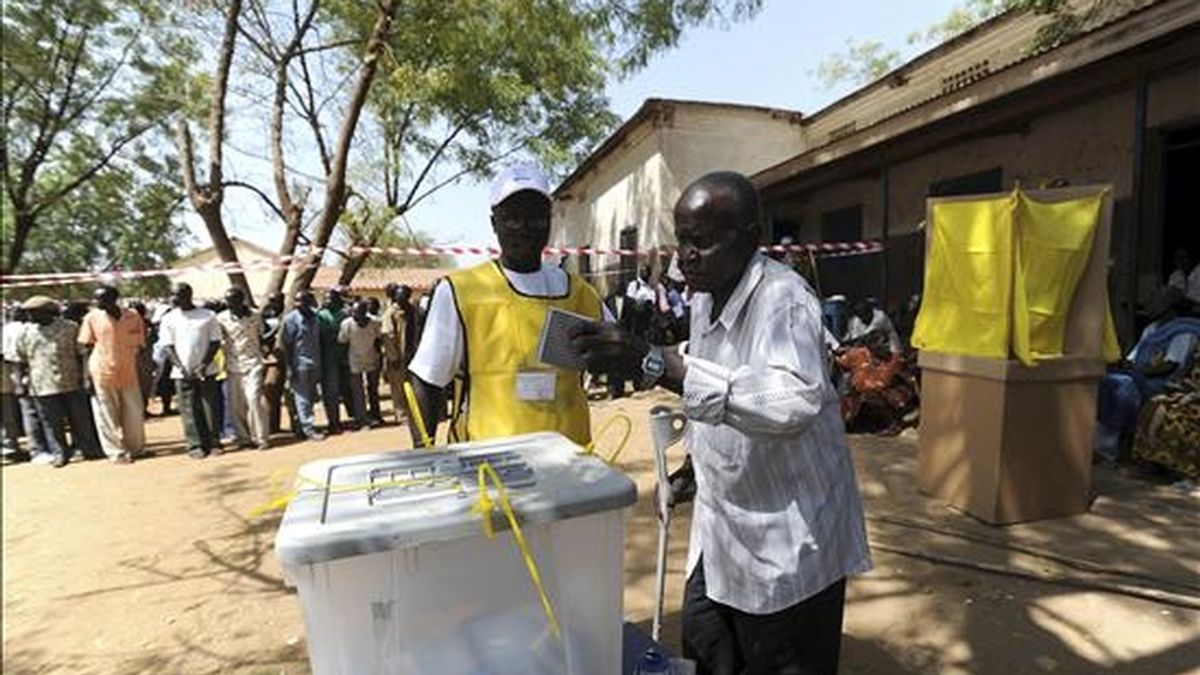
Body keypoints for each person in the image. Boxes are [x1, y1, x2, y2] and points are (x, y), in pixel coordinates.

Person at [571, 171, 871, 675]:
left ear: (751, 237)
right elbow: (720, 385)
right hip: (724, 530)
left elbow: (791, 400)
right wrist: (697, 460)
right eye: (682, 240)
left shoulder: (784, 299)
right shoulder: (707, 296)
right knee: (707, 645)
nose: (686, 255)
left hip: (785, 545)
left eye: (702, 242)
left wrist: (662, 365)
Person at [408, 162, 607, 447]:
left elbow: (618, 352)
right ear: (494, 223)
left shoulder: (580, 293)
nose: (525, 228)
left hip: (569, 464)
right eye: (512, 218)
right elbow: (427, 379)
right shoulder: (461, 291)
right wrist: (423, 453)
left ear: (550, 220)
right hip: (488, 470)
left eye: (537, 218)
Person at [1095, 288, 1200, 463]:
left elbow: (1171, 365)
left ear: (1169, 306)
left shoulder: (1184, 331)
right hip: (1140, 376)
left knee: (1122, 386)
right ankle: (1099, 443)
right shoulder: (1152, 328)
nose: (1150, 304)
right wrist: (1128, 368)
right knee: (1108, 382)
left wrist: (1136, 371)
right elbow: (1132, 358)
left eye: (1155, 300)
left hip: (1162, 382)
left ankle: (1107, 449)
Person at [13, 296, 103, 467]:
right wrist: (19, 383)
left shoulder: (70, 328)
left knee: (80, 418)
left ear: (47, 312)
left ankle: (88, 448)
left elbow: (81, 354)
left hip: (71, 380)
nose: (30, 316)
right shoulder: (25, 332)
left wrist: (85, 377)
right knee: (51, 423)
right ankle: (59, 452)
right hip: (41, 384)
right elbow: (20, 360)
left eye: (33, 312)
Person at [78, 285, 147, 463]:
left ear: (113, 299)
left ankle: (136, 448)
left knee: (133, 412)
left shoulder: (133, 316)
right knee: (106, 415)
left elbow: (140, 344)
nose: (97, 302)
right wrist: (86, 377)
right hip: (102, 371)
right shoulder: (91, 318)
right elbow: (86, 348)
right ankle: (115, 452)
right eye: (96, 299)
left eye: (101, 299)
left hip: (129, 371)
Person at [158, 283, 222, 459]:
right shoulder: (169, 319)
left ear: (188, 295)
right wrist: (179, 365)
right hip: (182, 372)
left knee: (210, 407)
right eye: (172, 295)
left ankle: (214, 442)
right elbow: (168, 345)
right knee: (188, 409)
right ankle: (195, 445)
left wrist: (204, 364)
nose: (173, 298)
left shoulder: (208, 316)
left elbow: (215, 341)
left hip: (206, 370)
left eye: (176, 295)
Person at [216, 287, 270, 450]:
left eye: (232, 301)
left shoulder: (255, 316)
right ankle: (244, 438)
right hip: (233, 365)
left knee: (254, 399)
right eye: (227, 302)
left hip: (253, 362)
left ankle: (261, 438)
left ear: (241, 300)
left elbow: (262, 335)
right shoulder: (221, 319)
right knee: (236, 404)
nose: (229, 304)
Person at [280, 290, 325, 441]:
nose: (299, 304)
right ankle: (308, 428)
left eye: (303, 301)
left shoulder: (316, 317)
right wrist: (288, 367)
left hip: (316, 362)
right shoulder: (291, 320)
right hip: (299, 364)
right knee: (302, 397)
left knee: (311, 397)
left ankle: (300, 426)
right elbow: (286, 345)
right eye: (297, 301)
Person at [380, 285, 422, 425]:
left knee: (414, 386)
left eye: (404, 295)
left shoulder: (414, 311)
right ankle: (401, 415)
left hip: (414, 353)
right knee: (398, 387)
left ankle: (414, 413)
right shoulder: (391, 313)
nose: (402, 297)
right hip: (399, 355)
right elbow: (387, 335)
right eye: (399, 295)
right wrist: (393, 357)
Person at [339, 300, 383, 428]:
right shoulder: (347, 324)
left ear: (365, 312)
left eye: (358, 312)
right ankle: (361, 418)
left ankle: (376, 414)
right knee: (358, 390)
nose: (355, 315)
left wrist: (379, 355)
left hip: (372, 357)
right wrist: (345, 360)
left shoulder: (375, 322)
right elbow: (343, 342)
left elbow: (378, 339)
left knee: (373, 389)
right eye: (353, 312)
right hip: (354, 360)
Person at [317, 288, 352, 433]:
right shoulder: (320, 316)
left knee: (348, 389)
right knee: (331, 392)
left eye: (330, 298)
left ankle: (354, 417)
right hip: (328, 360)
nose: (327, 301)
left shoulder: (345, 315)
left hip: (346, 358)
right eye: (325, 299)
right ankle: (334, 422)